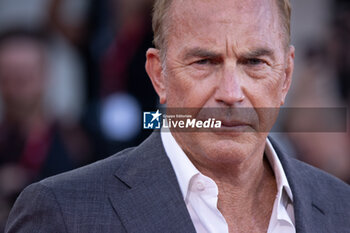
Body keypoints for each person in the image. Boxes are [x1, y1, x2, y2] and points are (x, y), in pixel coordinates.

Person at [5, 0, 350, 232]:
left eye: (254, 62)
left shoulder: (341, 208)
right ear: (159, 76)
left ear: (286, 76)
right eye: (204, 62)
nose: (231, 92)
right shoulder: (63, 213)